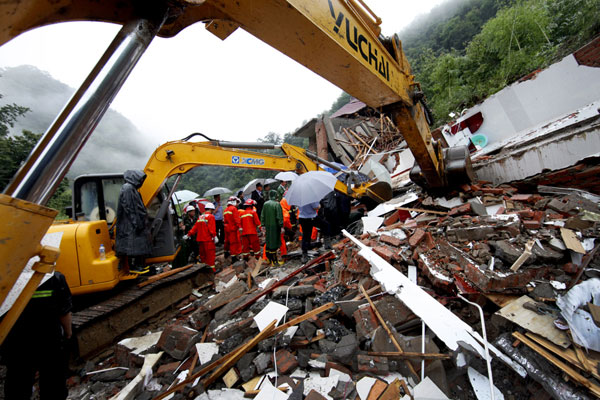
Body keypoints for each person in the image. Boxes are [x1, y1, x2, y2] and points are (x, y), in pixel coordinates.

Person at [2, 271, 72, 399]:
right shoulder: (54, 278)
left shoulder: (6, 278)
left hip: (16, 344)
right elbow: (64, 312)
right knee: (54, 385)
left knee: (18, 385)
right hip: (49, 341)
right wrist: (68, 332)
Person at [115, 169, 152, 274]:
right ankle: (133, 266)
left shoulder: (132, 189)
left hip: (134, 223)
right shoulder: (128, 188)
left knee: (138, 245)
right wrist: (137, 223)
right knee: (133, 246)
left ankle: (137, 265)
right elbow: (130, 208)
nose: (141, 182)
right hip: (131, 225)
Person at [186, 202, 217, 271]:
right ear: (211, 209)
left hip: (200, 240)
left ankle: (204, 270)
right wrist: (214, 236)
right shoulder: (211, 217)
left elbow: (195, 227)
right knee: (210, 255)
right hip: (208, 240)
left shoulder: (200, 217)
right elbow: (211, 229)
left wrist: (189, 234)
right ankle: (212, 270)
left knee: (203, 256)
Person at [261, 190, 284, 266]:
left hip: (267, 226)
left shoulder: (265, 204)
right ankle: (275, 262)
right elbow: (279, 216)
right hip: (275, 226)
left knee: (268, 242)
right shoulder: (277, 204)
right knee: (274, 243)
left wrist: (263, 226)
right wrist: (281, 226)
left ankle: (268, 259)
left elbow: (262, 216)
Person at [223, 196, 242, 261]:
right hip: (232, 228)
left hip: (226, 228)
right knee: (233, 242)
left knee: (227, 241)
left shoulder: (226, 209)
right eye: (236, 202)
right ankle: (234, 257)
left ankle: (226, 252)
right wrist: (239, 227)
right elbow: (236, 219)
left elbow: (225, 220)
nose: (237, 204)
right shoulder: (233, 209)